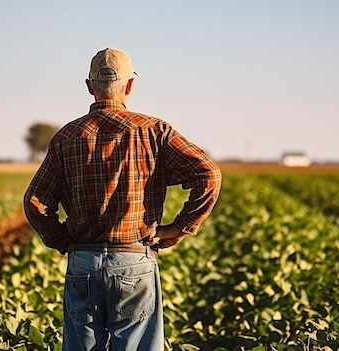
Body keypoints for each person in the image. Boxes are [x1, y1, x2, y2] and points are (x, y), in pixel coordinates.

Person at [23, 47, 222, 351]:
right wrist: (180, 228)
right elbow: (208, 174)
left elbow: (35, 202)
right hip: (134, 260)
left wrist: (65, 241)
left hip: (83, 263)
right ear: (130, 86)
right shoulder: (155, 131)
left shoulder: (66, 137)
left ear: (90, 87)